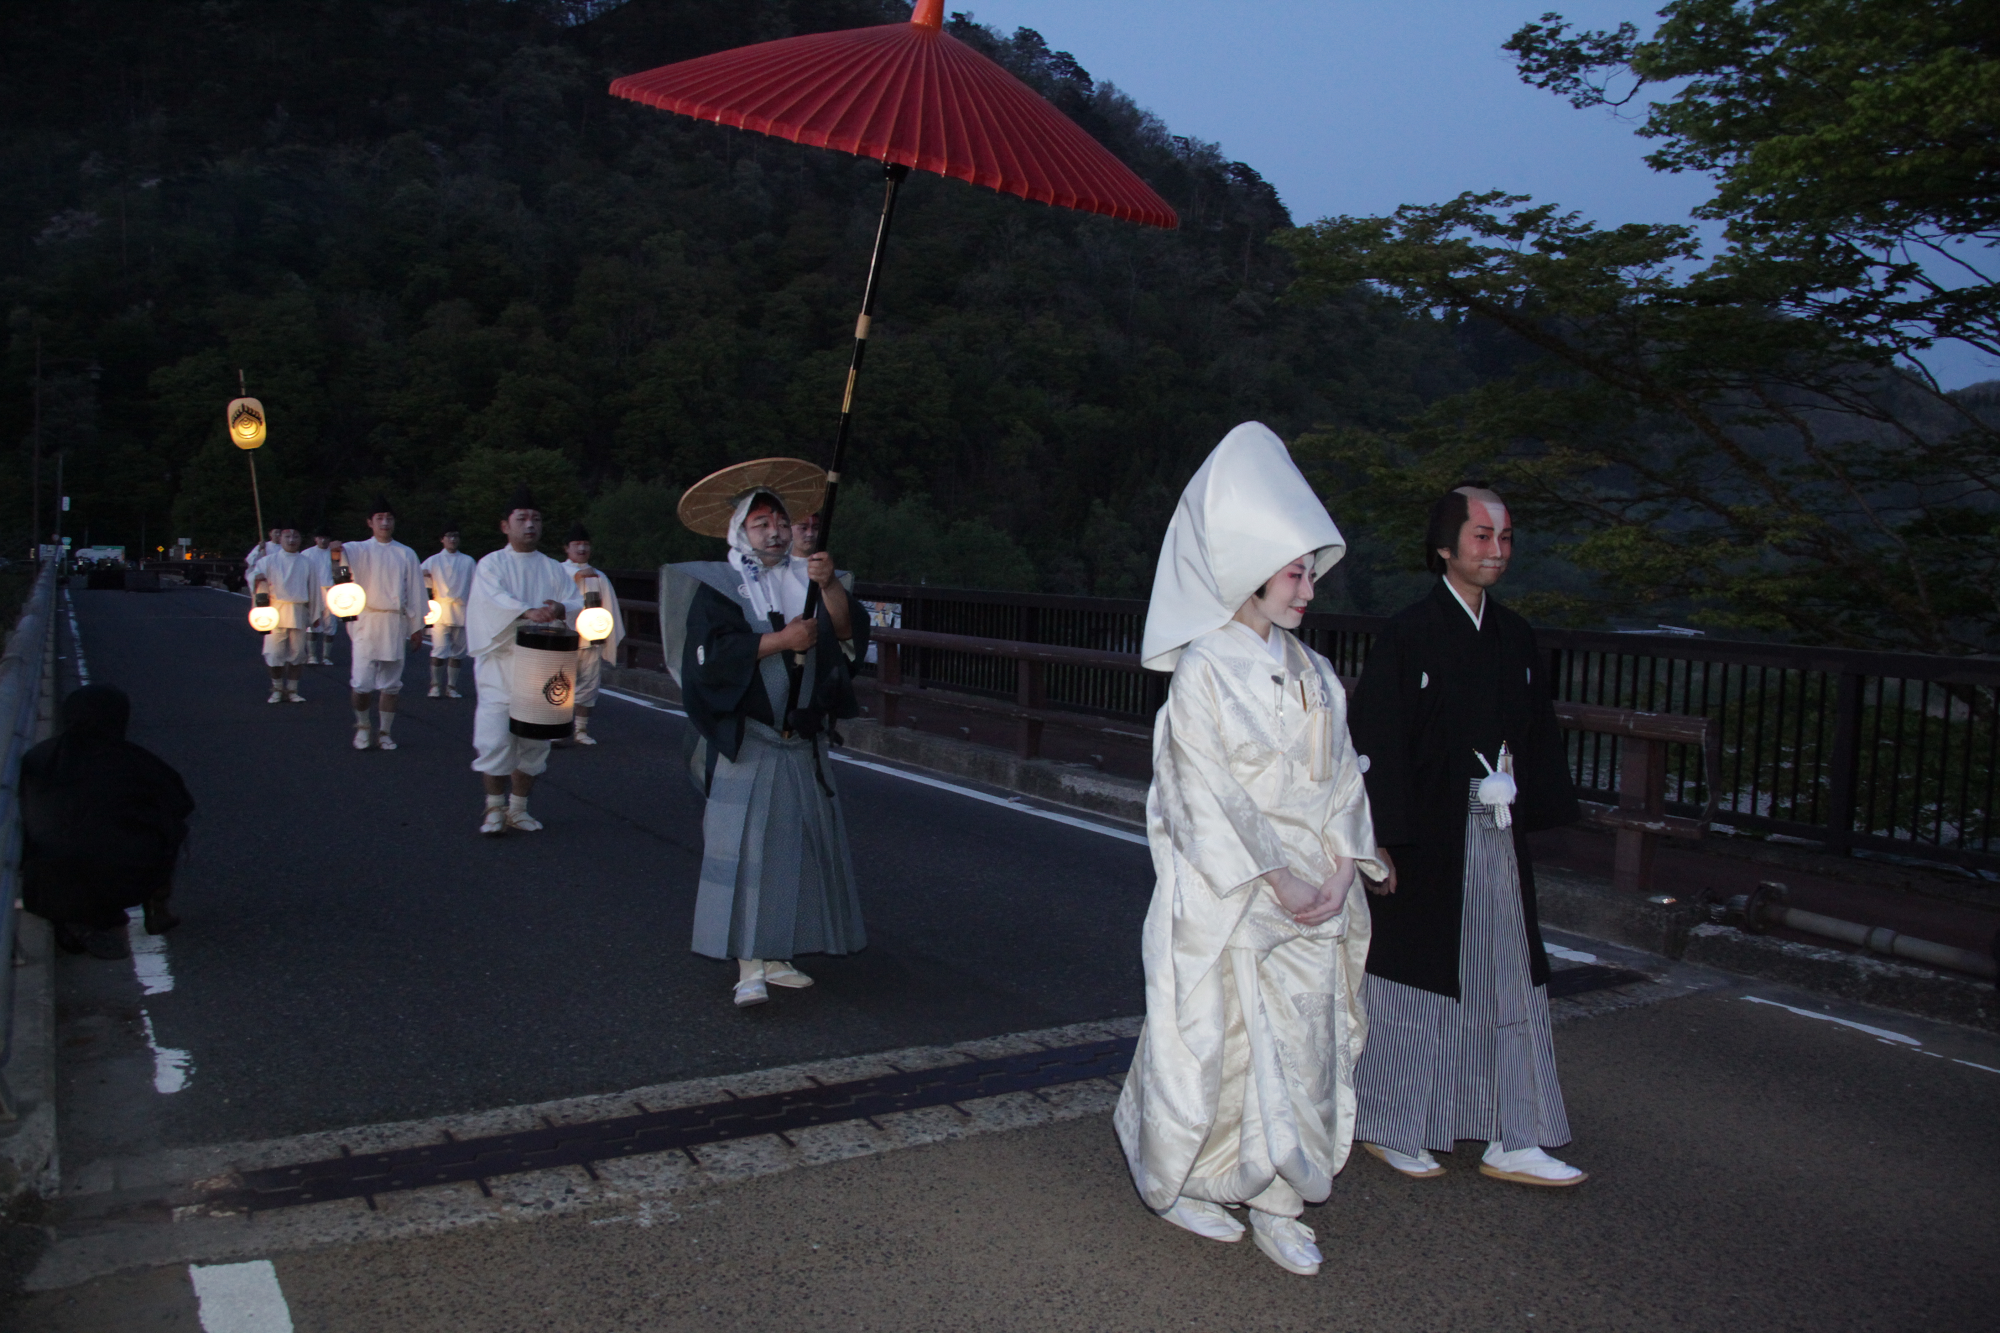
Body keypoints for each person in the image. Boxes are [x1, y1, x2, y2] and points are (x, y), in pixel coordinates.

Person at [1114, 422, 1382, 1278]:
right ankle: (1187, 1176)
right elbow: (1201, 792)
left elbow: (1345, 779)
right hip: (1232, 893)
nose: (1308, 587)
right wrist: (1277, 876)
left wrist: (1341, 871)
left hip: (1313, 898)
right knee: (1212, 1039)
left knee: (1300, 1050)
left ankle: (1276, 1197)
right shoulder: (1203, 672)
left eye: (1310, 572)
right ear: (1249, 572)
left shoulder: (1316, 672)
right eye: (1296, 571)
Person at [1348, 484, 1587, 1187]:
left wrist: (1524, 788)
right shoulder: (1408, 633)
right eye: (1481, 536)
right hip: (1424, 833)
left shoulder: (1514, 636)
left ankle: (1514, 1131)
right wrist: (1379, 836)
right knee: (1412, 978)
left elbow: (1535, 731)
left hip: (1494, 828)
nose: (1497, 550)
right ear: (1445, 547)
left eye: (1506, 537)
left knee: (1508, 976)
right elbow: (1378, 739)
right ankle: (1392, 1122)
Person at [660, 458, 868, 1008]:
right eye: (760, 524)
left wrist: (827, 589)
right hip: (749, 735)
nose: (774, 532)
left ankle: (778, 954)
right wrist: (780, 641)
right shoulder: (720, 586)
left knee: (794, 847)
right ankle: (747, 962)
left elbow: (848, 636)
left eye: (780, 521)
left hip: (800, 736)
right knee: (745, 849)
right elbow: (710, 658)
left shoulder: (812, 578)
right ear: (739, 532)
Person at [21, 685, 194, 960]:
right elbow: (181, 802)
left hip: (46, 880)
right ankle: (156, 906)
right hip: (120, 876)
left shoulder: (40, 757)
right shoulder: (133, 760)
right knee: (170, 827)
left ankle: (72, 919)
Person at [466, 489, 584, 834]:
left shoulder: (552, 567)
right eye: (522, 519)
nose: (530, 525)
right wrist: (526, 610)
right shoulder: (491, 564)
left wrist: (561, 609)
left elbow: (573, 602)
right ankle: (493, 809)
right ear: (506, 526)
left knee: (534, 742)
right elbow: (492, 601)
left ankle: (518, 809)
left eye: (536, 519)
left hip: (544, 668)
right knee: (496, 740)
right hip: (502, 667)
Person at [329, 500, 426, 751]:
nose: (385, 523)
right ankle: (362, 726)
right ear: (370, 522)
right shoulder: (356, 549)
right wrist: (335, 552)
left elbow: (416, 591)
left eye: (389, 518)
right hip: (366, 620)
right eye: (379, 518)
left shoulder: (406, 553)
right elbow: (337, 567)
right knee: (361, 683)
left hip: (394, 621)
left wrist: (417, 627)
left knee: (391, 684)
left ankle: (385, 731)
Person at [559, 522, 624, 746]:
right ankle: (558, 729)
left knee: (589, 684)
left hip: (591, 638)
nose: (582, 549)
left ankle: (581, 730)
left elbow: (609, 608)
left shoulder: (599, 576)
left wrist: (606, 633)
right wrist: (577, 577)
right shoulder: (557, 571)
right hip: (564, 637)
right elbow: (554, 597)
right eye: (577, 545)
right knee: (561, 684)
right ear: (566, 548)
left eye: (585, 545)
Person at [247, 525, 322, 703]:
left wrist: (315, 614)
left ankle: (293, 690)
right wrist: (256, 579)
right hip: (274, 611)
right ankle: (277, 688)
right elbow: (253, 576)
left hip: (298, 610)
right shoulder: (268, 561)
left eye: (295, 536)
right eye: (287, 536)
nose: (291, 540)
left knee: (297, 654)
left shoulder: (307, 562)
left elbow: (314, 590)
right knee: (274, 653)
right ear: (280, 539)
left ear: (300, 539)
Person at [422, 523, 476, 700]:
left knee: (458, 653)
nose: (452, 539)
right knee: (439, 650)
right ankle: (435, 685)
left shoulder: (468, 561)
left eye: (455, 536)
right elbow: (419, 575)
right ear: (442, 539)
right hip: (440, 610)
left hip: (462, 610)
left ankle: (451, 686)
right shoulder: (434, 560)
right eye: (449, 536)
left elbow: (476, 586)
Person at [303, 528, 339, 666]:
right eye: (320, 537)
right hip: (314, 591)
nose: (323, 541)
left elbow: (343, 569)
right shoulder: (307, 554)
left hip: (332, 591)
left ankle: (326, 656)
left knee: (330, 624)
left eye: (326, 538)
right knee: (314, 624)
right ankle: (311, 655)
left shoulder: (335, 553)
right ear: (315, 539)